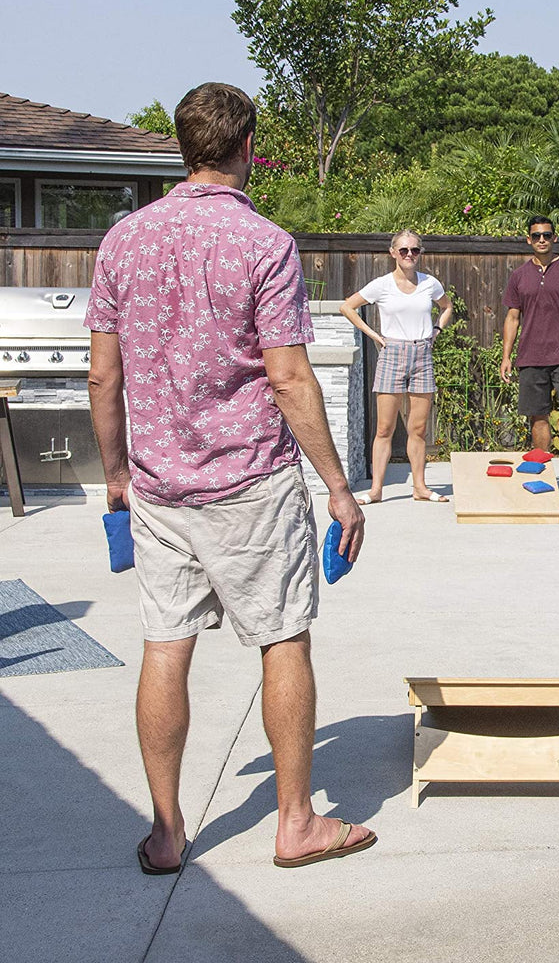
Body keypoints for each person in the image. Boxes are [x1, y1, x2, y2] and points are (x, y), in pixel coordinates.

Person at [86, 82, 376, 871]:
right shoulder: (266, 244)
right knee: (282, 638)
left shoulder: (122, 241)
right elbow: (288, 378)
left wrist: (117, 473)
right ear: (248, 147)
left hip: (157, 488)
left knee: (164, 645)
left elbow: (102, 379)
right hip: (250, 483)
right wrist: (340, 489)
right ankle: (295, 823)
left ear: (183, 148)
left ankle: (168, 831)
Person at [339, 231, 453, 504]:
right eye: (404, 250)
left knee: (419, 428)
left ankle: (420, 487)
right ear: (393, 253)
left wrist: (436, 330)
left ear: (420, 253)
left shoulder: (429, 283)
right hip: (392, 354)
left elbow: (446, 307)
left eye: (415, 250)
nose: (409, 255)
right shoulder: (381, 285)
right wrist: (374, 335)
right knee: (384, 429)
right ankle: (376, 490)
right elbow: (348, 307)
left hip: (422, 353)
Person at [499, 216, 559, 498]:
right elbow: (512, 316)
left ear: (555, 238)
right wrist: (506, 356)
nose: (542, 240)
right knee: (538, 418)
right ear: (528, 240)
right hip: (530, 357)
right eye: (537, 235)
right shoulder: (519, 276)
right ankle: (544, 477)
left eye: (547, 235)